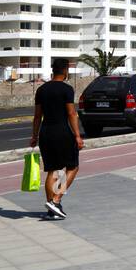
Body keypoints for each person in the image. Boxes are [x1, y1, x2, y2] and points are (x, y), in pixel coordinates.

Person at [30, 57, 82, 219]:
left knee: (52, 170)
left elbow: (37, 116)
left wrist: (34, 136)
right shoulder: (66, 89)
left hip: (46, 133)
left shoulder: (41, 90)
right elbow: (71, 113)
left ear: (53, 70)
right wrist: (78, 136)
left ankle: (52, 209)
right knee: (72, 167)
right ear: (65, 70)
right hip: (62, 133)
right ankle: (56, 200)